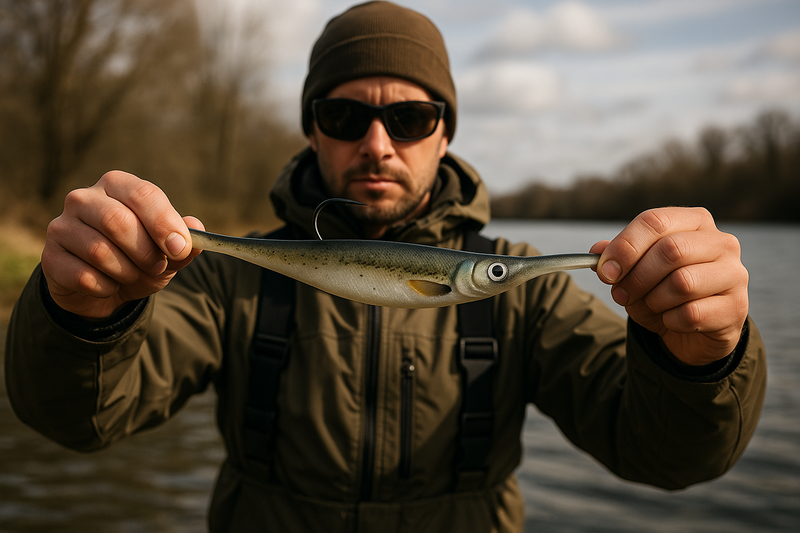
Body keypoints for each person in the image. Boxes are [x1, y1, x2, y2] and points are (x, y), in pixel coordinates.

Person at [4, 2, 766, 532]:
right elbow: (76, 418)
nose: (377, 143)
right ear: (312, 129)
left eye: (409, 118)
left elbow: (666, 455)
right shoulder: (224, 276)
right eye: (345, 116)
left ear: (444, 135)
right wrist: (78, 313)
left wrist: (700, 360)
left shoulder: (523, 290)